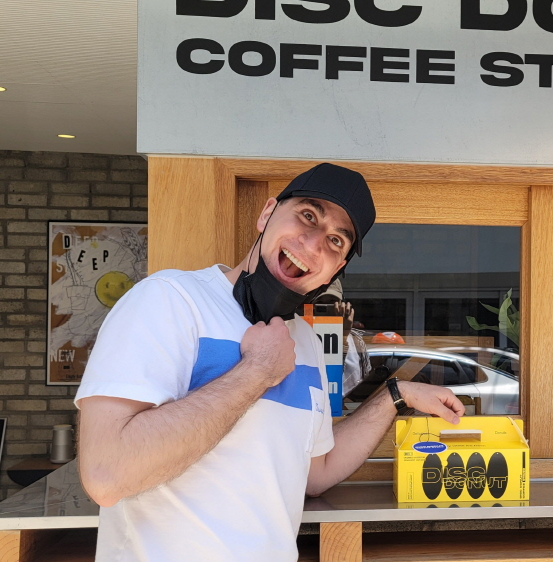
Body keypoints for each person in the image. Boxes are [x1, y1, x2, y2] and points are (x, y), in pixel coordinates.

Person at [75, 163, 465, 561]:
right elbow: (107, 475)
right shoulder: (169, 300)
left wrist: (395, 396)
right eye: (308, 215)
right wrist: (256, 372)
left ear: (335, 270)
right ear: (266, 214)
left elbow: (316, 473)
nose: (313, 243)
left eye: (336, 241)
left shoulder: (306, 343)